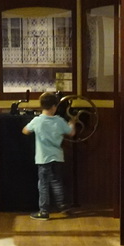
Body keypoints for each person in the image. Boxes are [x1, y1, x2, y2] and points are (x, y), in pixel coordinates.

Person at [22, 92, 77, 220]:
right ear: (54, 107)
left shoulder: (37, 121)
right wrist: (72, 122)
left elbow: (25, 130)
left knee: (43, 184)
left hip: (43, 158)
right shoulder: (59, 121)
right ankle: (62, 204)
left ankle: (44, 211)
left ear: (42, 106)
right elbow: (72, 133)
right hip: (57, 157)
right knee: (57, 181)